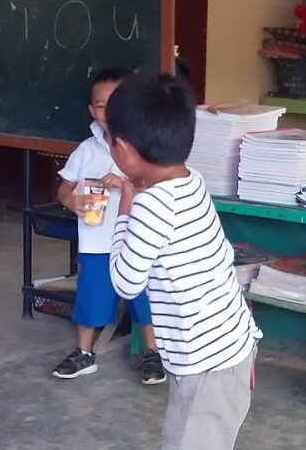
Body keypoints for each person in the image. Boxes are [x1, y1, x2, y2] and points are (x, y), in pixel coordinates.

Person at [106, 73, 259, 450]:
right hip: (226, 349)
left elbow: (125, 282)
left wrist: (124, 214)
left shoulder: (149, 206)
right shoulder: (192, 181)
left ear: (123, 149)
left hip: (206, 366)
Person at [50, 68, 165, 385]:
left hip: (139, 239)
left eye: (116, 103)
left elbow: (157, 187)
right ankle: (84, 353)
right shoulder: (87, 149)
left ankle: (153, 353)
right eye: (101, 106)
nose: (109, 112)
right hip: (97, 239)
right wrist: (71, 201)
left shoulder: (145, 146)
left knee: (144, 297)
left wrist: (126, 183)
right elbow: (63, 188)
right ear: (92, 110)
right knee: (91, 296)